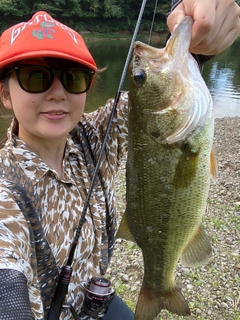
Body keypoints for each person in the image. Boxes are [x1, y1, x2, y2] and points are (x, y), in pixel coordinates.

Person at [0, 0, 239, 319]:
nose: (57, 92)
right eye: (34, 76)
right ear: (4, 94)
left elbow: (159, 99)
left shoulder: (95, 135)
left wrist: (199, 36)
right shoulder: (6, 190)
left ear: (88, 88)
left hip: (92, 297)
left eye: (72, 78)